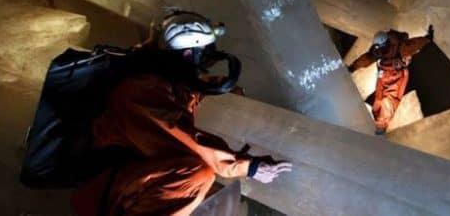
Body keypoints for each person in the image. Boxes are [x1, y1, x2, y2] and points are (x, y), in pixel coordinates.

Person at [70, 11, 292, 216]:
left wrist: (215, 87)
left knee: (215, 199)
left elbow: (183, 94)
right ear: (187, 54)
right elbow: (188, 139)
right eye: (203, 56)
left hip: (131, 181)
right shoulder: (139, 93)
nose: (205, 64)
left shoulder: (158, 78)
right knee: (197, 176)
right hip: (107, 191)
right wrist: (248, 166)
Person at [349, 26, 434, 135]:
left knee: (388, 102)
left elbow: (414, 44)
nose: (378, 51)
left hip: (396, 78)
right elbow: (368, 57)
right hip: (383, 76)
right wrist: (353, 67)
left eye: (380, 48)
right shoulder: (378, 49)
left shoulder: (400, 48)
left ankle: (381, 126)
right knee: (378, 101)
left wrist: (427, 38)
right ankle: (377, 119)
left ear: (386, 44)